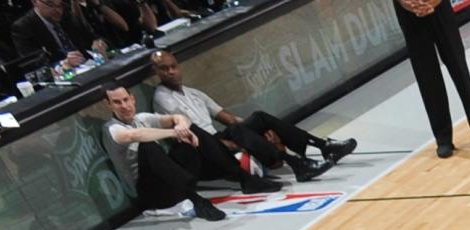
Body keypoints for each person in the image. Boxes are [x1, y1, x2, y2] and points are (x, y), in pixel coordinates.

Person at [148, 50, 348, 181]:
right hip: (203, 148)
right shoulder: (162, 97)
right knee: (236, 131)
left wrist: (261, 129)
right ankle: (297, 164)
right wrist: (236, 138)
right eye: (164, 69)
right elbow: (191, 132)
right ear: (156, 72)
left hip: (221, 137)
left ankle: (323, 146)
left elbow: (230, 118)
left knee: (259, 117)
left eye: (173, 66)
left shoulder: (193, 93)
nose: (171, 72)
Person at [100, 81, 260, 215]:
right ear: (108, 105)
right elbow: (133, 135)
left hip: (172, 180)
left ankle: (243, 177)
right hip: (152, 192)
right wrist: (172, 132)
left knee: (192, 130)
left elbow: (179, 117)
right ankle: (195, 199)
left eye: (126, 99)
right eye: (117, 102)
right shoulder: (111, 128)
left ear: (132, 98)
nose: (124, 105)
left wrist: (182, 127)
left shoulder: (142, 118)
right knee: (148, 146)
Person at [393, 0, 470, 157]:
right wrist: (409, 3)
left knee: (459, 67)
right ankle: (443, 139)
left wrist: (432, 2)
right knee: (426, 74)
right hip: (408, 12)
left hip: (440, 7)